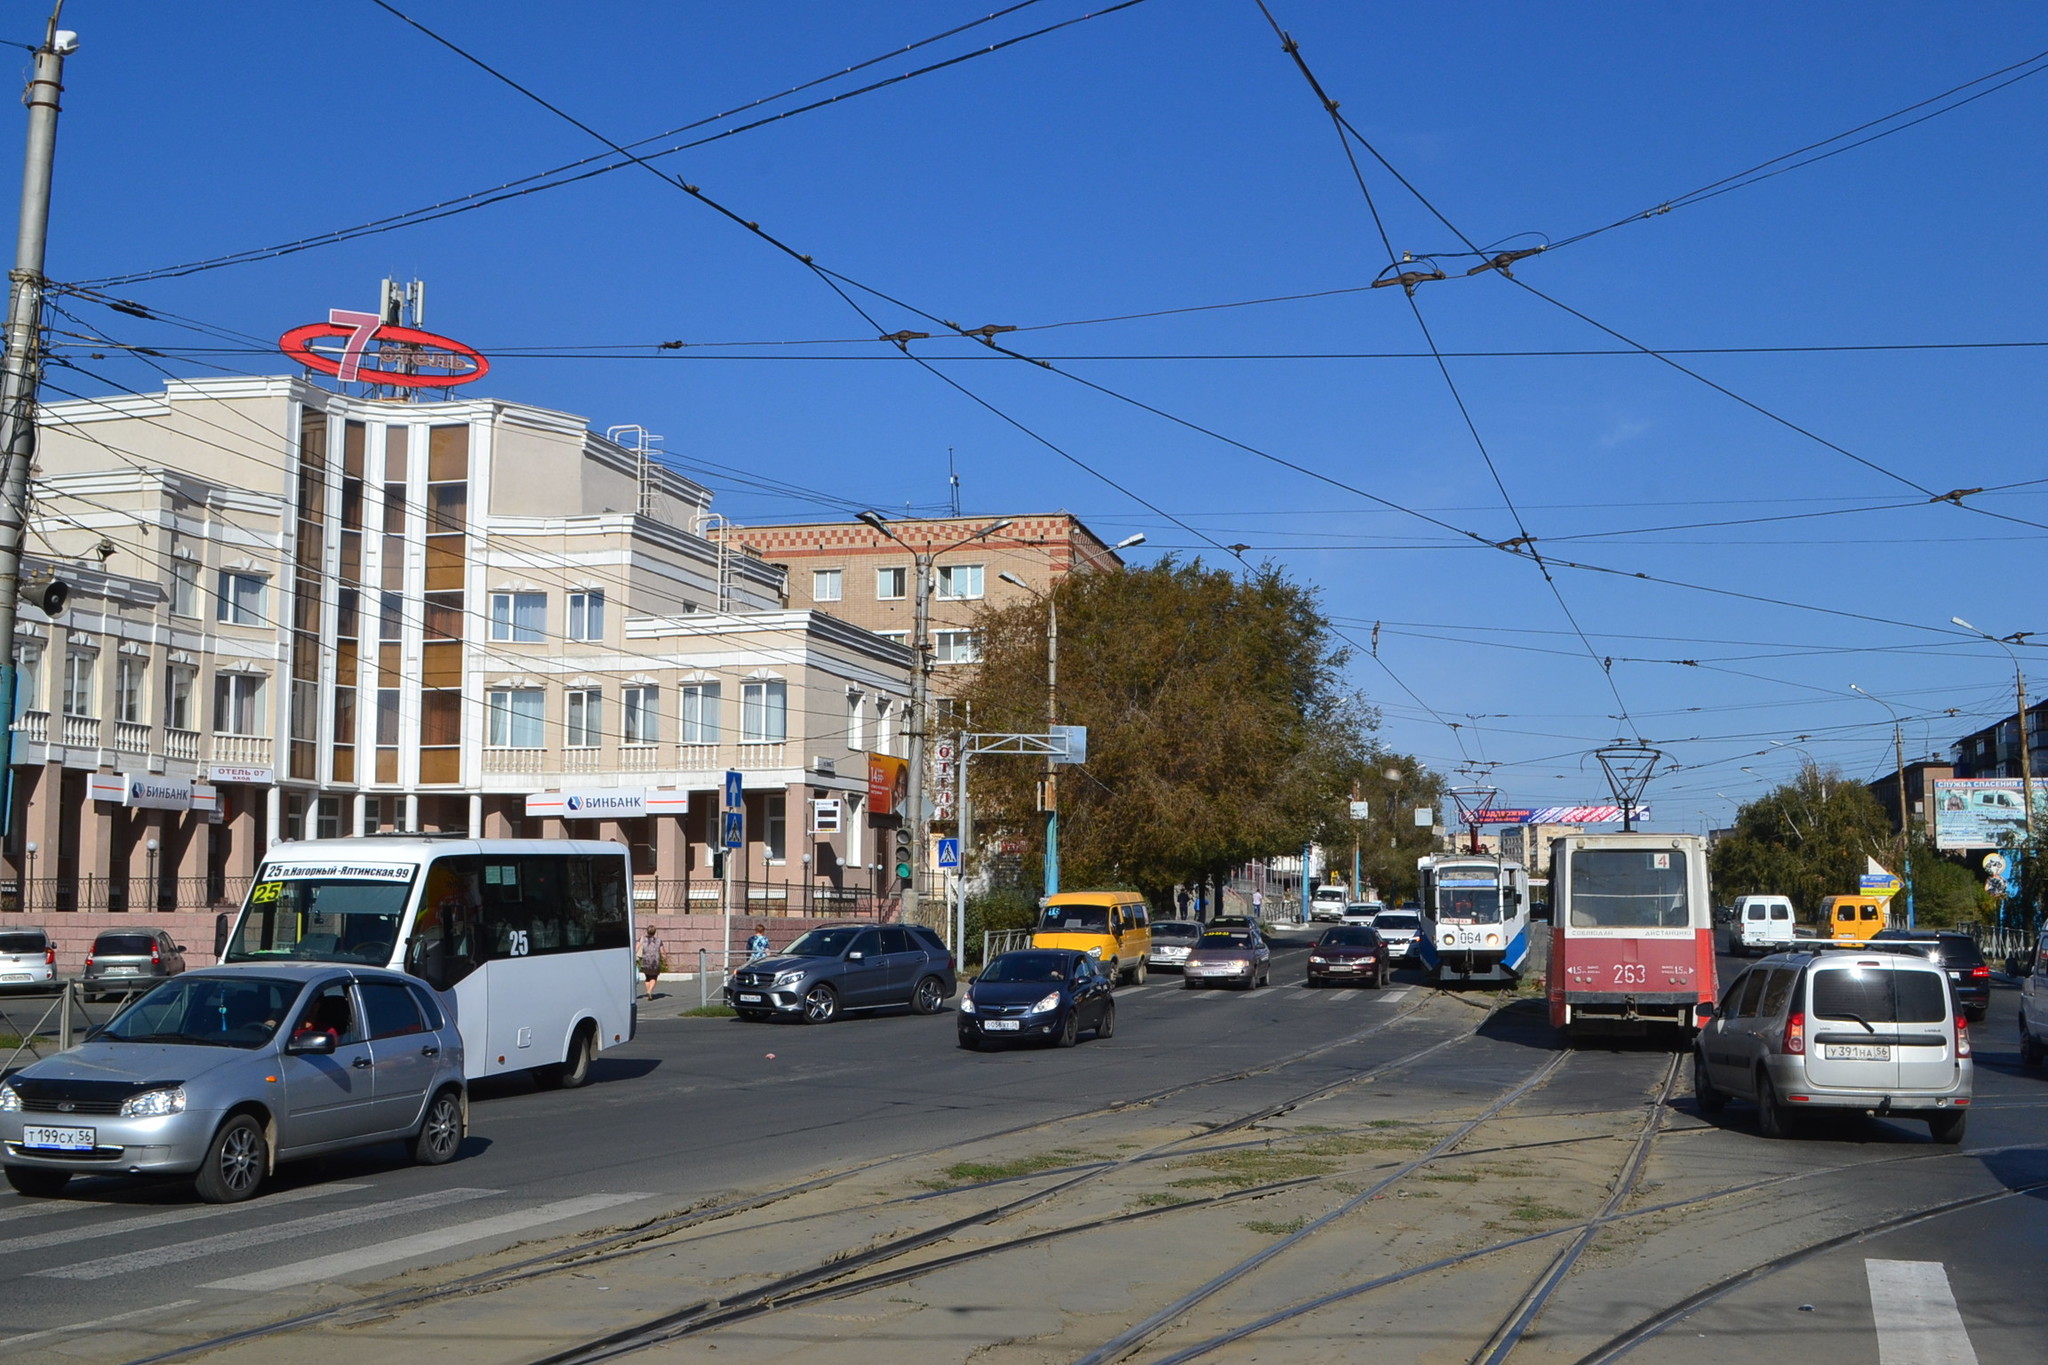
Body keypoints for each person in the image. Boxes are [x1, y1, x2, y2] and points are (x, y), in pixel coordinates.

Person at [637, 926, 664, 1000]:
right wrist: (665, 959)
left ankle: (648, 991)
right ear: (655, 932)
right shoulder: (659, 940)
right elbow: (662, 952)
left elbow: (637, 948)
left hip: (645, 960)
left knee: (647, 977)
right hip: (655, 961)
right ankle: (650, 991)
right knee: (654, 977)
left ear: (647, 931)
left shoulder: (642, 939)